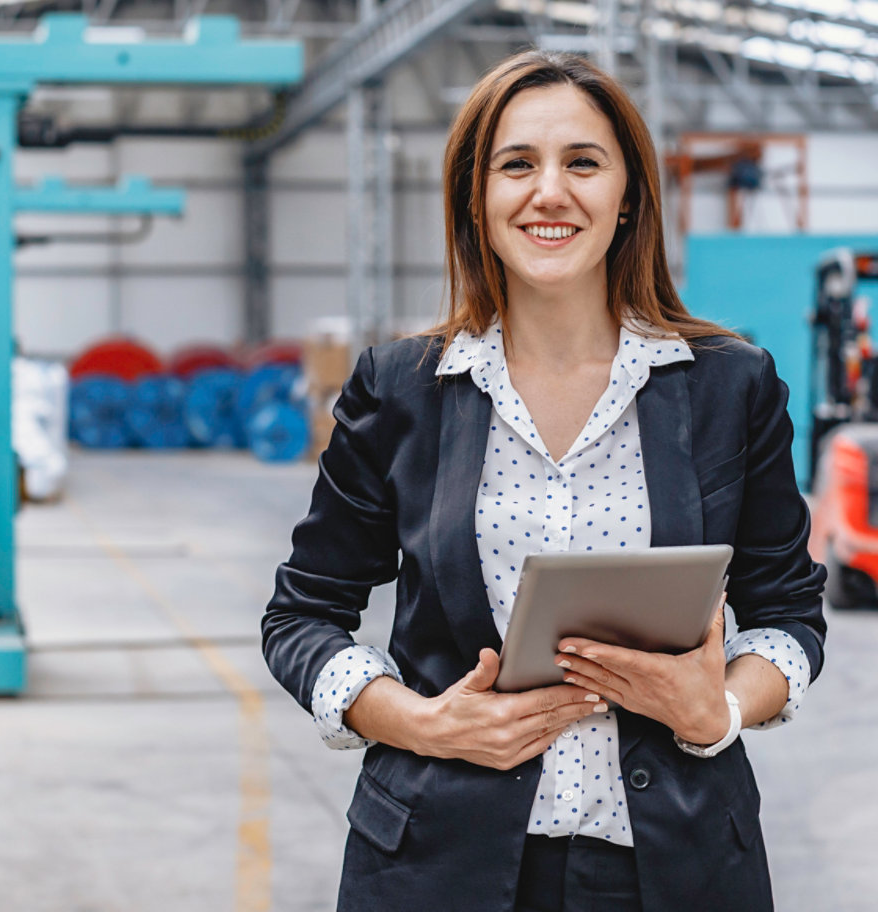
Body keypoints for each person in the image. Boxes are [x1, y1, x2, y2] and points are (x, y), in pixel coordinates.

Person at [261, 49, 825, 912]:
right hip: (438, 863)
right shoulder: (403, 388)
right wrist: (419, 721)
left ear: (628, 193)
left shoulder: (729, 386)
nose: (549, 192)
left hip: (673, 868)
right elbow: (302, 616)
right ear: (475, 199)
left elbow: (788, 617)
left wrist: (719, 710)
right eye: (517, 164)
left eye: (583, 163)